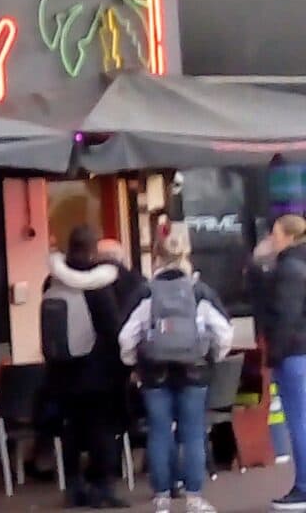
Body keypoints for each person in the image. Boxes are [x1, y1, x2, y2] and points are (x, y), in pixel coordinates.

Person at [118, 219, 232, 513]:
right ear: (187, 252)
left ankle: (162, 498)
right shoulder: (199, 291)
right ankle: (194, 497)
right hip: (194, 371)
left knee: (159, 432)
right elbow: (224, 333)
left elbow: (126, 337)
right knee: (193, 431)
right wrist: (212, 357)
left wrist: (134, 362)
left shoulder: (147, 292)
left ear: (155, 254)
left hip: (154, 373)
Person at [41, 225, 128, 509]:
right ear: (93, 250)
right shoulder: (97, 284)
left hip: (61, 372)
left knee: (71, 432)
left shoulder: (50, 281)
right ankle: (101, 489)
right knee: (101, 431)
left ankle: (74, 487)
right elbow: (112, 329)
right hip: (96, 373)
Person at [264, 215, 306, 511]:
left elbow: (286, 316)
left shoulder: (289, 268)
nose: (272, 238)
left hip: (293, 352)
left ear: (290, 236)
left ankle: (303, 486)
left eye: (276, 234)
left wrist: (274, 354)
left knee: (299, 422)